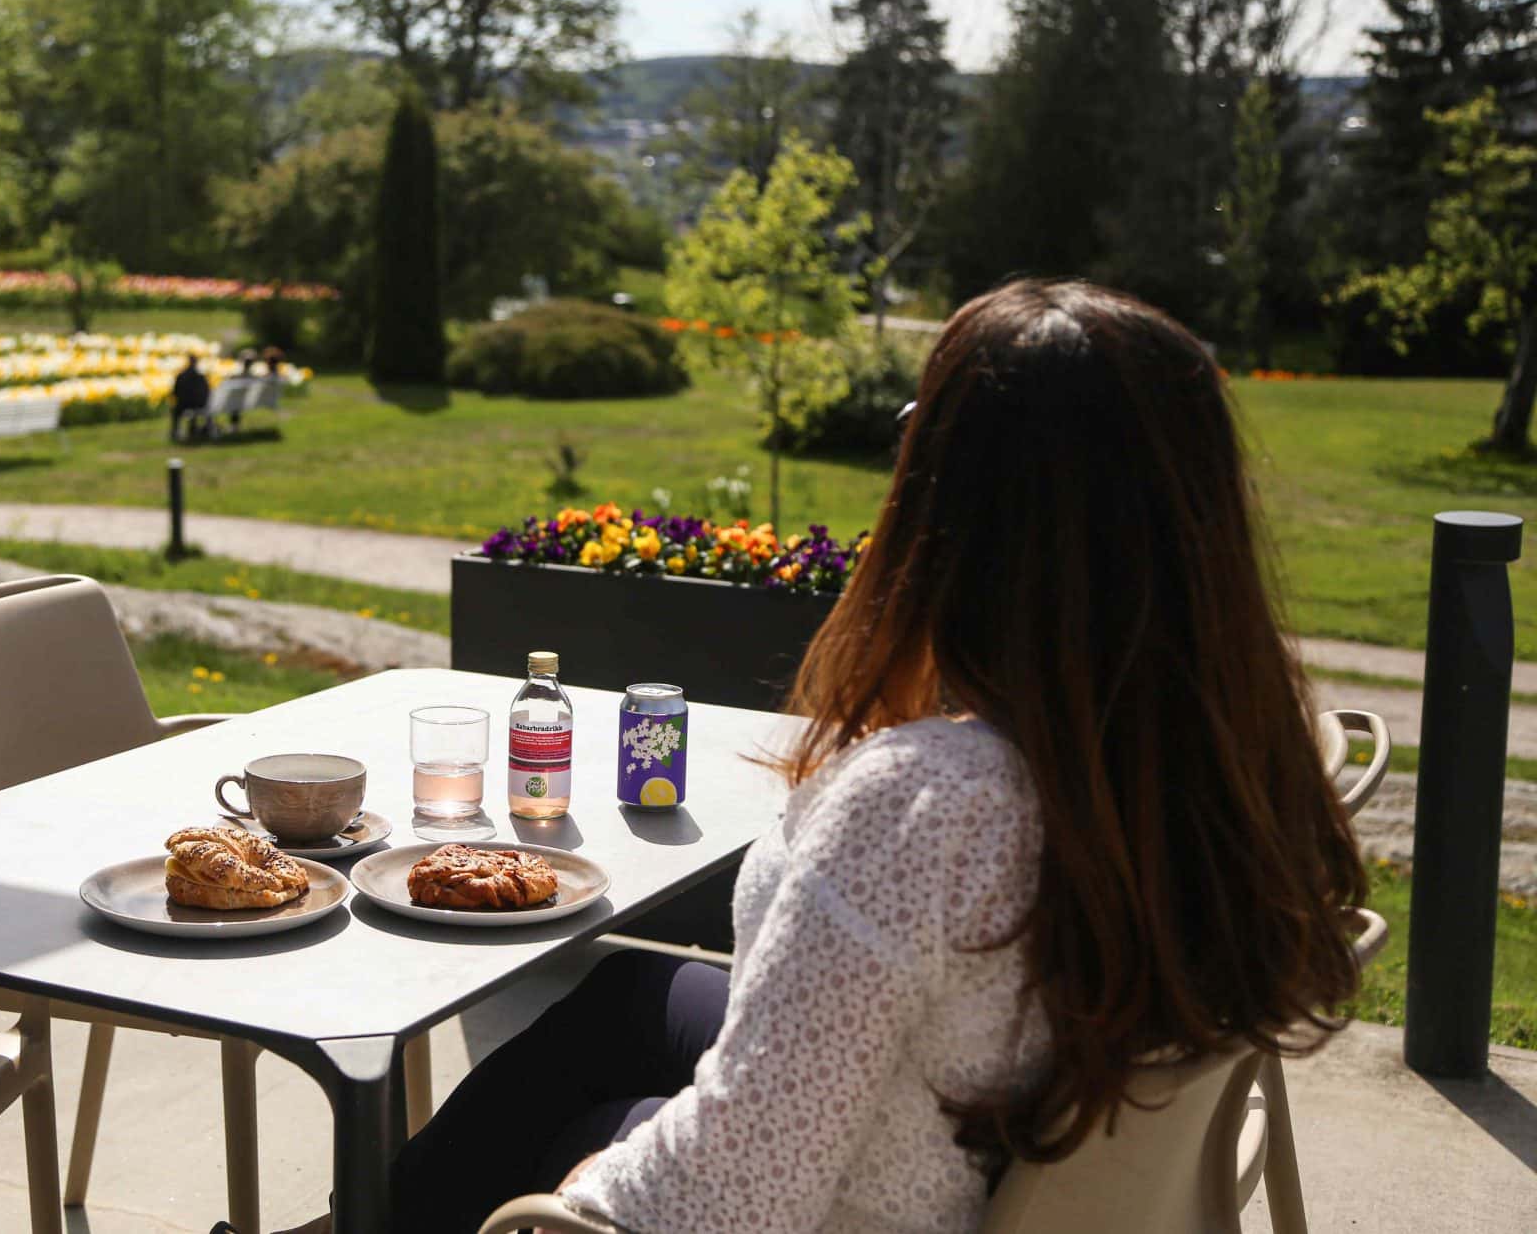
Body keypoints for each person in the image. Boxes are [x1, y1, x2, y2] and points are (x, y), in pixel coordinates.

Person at [274, 281, 1368, 1234]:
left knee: (578, 1129)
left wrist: (586, 1185)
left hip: (883, 1199)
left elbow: (738, 1196)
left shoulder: (925, 811)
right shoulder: (1223, 750)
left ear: (962, 513)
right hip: (1004, 1122)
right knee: (625, 999)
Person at [171, 353, 213, 442]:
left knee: (176, 409)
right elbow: (207, 392)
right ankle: (193, 429)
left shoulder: (181, 376)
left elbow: (175, 392)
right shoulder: (201, 377)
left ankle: (175, 432)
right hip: (199, 405)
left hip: (183, 406)